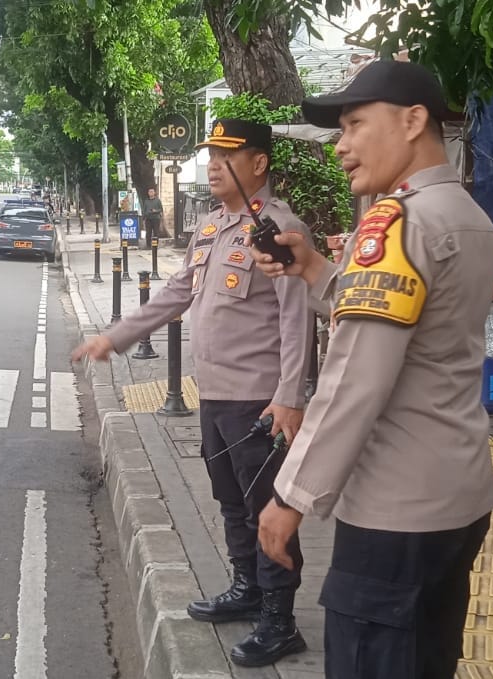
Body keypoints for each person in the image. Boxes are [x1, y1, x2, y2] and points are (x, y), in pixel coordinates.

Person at [250, 60, 493, 679]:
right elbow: (408, 322)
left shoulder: (396, 223)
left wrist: (291, 495)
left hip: (393, 513)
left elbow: (355, 377)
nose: (341, 146)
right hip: (457, 496)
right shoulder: (467, 214)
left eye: (355, 124)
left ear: (413, 121)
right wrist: (314, 269)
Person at [73, 118, 313, 668]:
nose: (214, 165)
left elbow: (297, 319)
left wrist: (290, 396)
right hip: (214, 394)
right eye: (212, 156)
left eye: (227, 156)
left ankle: (280, 621)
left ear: (259, 163)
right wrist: (116, 336)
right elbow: (177, 293)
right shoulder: (211, 227)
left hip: (260, 400)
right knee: (230, 499)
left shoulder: (278, 229)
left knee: (267, 507)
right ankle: (247, 588)